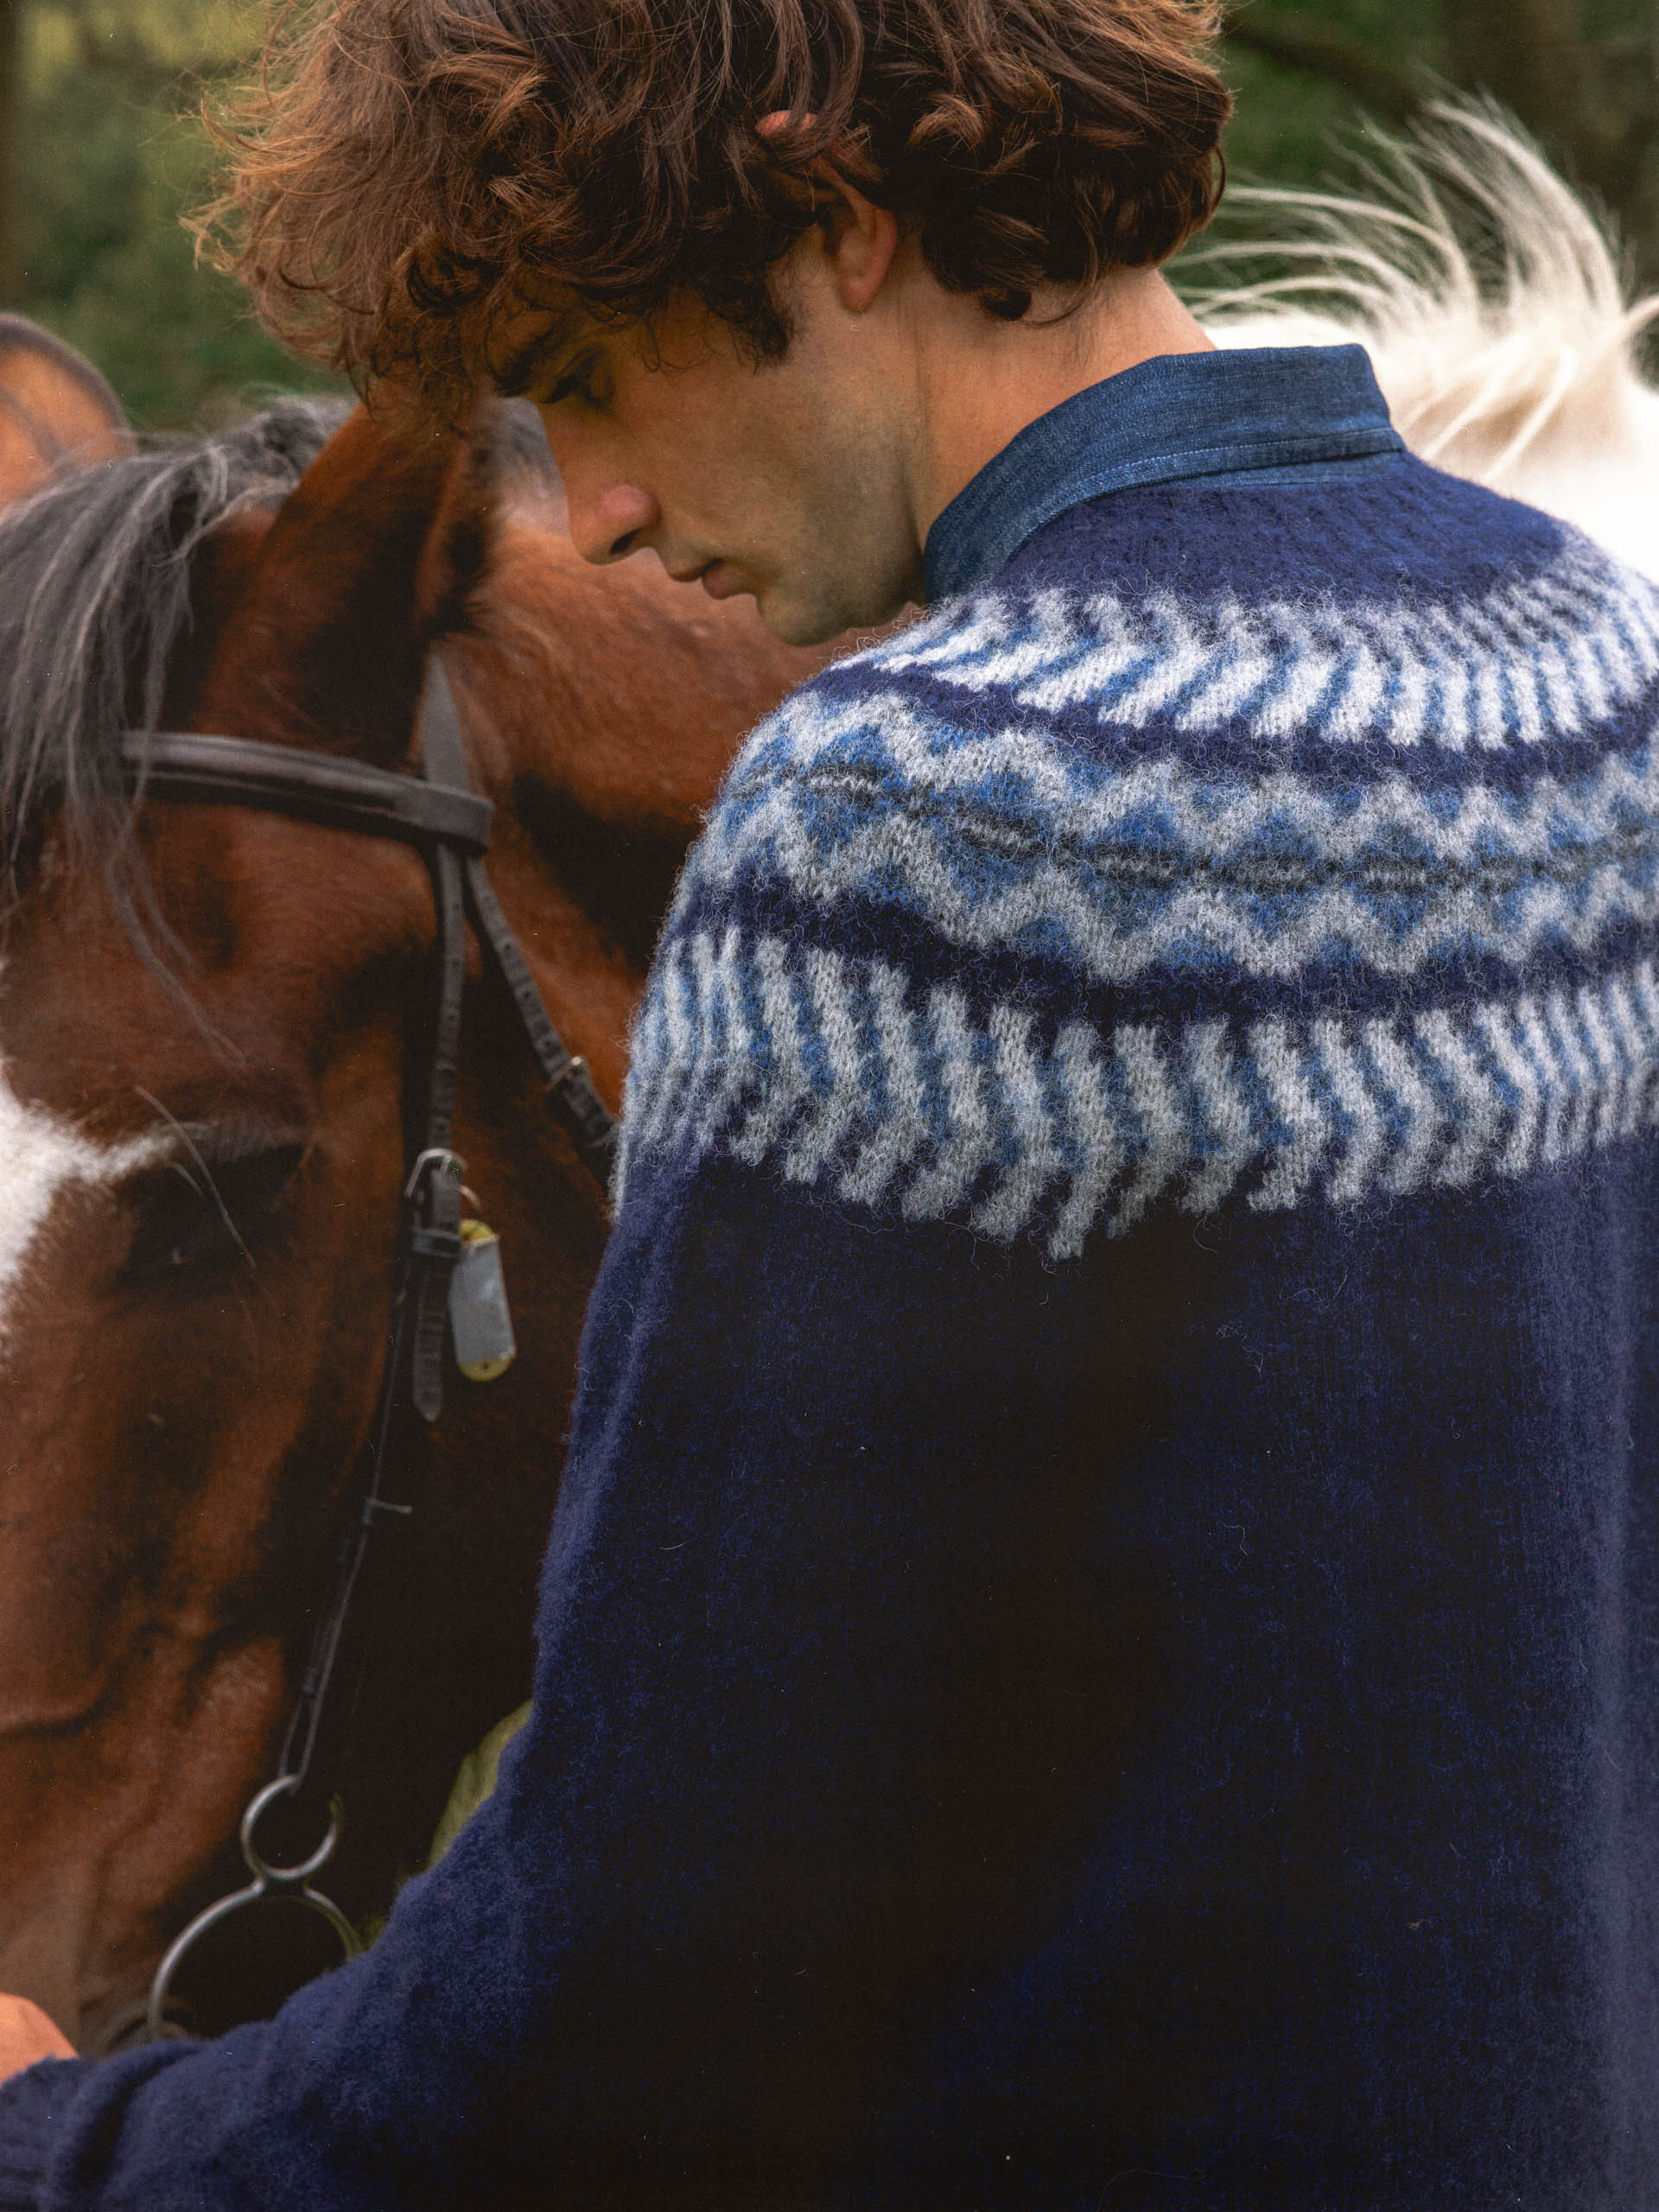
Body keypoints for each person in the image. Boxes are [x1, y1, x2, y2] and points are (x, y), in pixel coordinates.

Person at [4, 0, 1659, 2203]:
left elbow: (637, 2000)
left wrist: (72, 2133)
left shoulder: (914, 814)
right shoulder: (1582, 653)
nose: (588, 510)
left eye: (591, 374)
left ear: (837, 215)